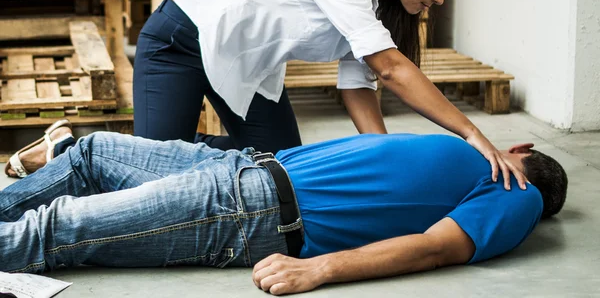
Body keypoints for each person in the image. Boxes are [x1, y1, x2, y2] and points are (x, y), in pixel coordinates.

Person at [129, 0, 526, 188]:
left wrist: (386, 159)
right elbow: (391, 69)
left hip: (244, 65)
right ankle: (89, 146)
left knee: (281, 168)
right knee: (150, 171)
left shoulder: (379, 4)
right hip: (180, 39)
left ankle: (176, 141)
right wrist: (474, 135)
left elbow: (357, 86)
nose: (439, 0)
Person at [0, 130, 568, 295]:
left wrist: (319, 269)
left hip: (249, 210)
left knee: (61, 227)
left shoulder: (518, 192)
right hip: (244, 166)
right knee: (93, 152)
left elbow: (437, 247)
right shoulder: (473, 151)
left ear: (523, 155)